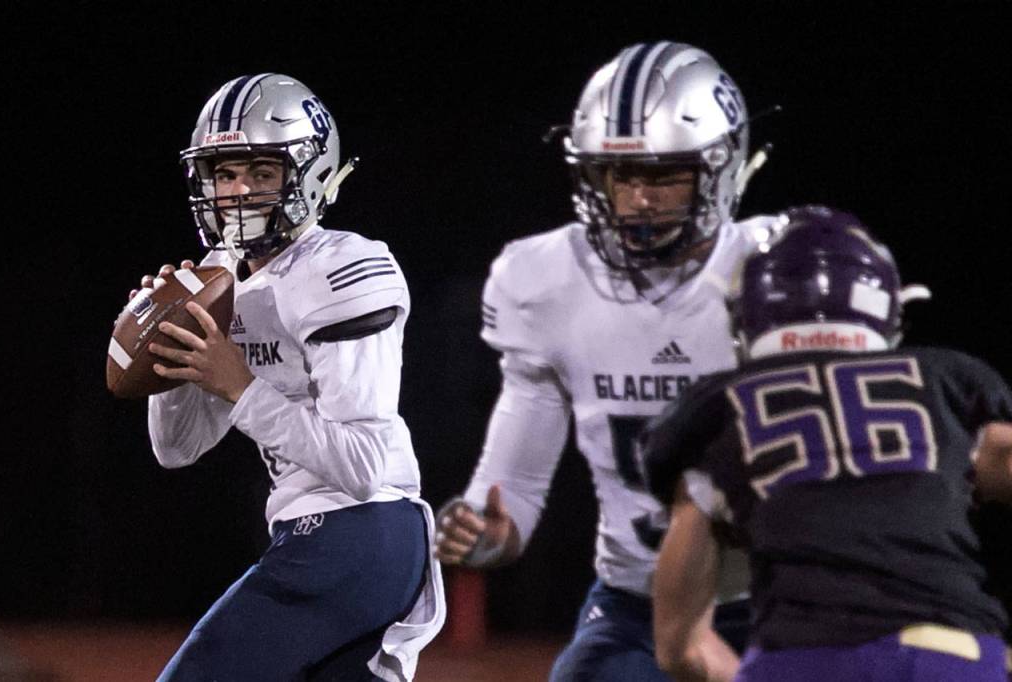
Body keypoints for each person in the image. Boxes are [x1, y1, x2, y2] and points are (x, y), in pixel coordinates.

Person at [433, 41, 777, 680]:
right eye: (622, 176)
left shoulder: (778, 271)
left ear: (721, 167)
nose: (639, 201)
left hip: (783, 600)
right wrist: (485, 532)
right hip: (636, 605)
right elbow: (518, 487)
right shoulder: (543, 278)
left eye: (664, 174)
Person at [134, 73, 444, 681]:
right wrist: (170, 355)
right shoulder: (223, 278)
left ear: (308, 174)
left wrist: (239, 384)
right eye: (224, 174)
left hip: (362, 529)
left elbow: (362, 466)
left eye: (262, 173)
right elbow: (176, 449)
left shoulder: (345, 266)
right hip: (314, 536)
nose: (240, 191)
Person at [642, 205, 1012, 681]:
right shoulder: (948, 383)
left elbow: (681, 650)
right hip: (948, 653)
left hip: (801, 658)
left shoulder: (714, 414)